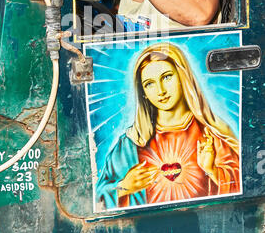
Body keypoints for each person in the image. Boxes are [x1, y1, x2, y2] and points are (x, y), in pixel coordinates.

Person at [95, 43, 240, 210]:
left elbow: (243, 184)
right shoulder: (131, 144)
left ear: (182, 76)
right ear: (143, 92)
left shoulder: (211, 135)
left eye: (166, 77)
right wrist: (124, 187)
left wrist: (212, 169)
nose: (161, 91)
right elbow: (96, 200)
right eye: (149, 84)